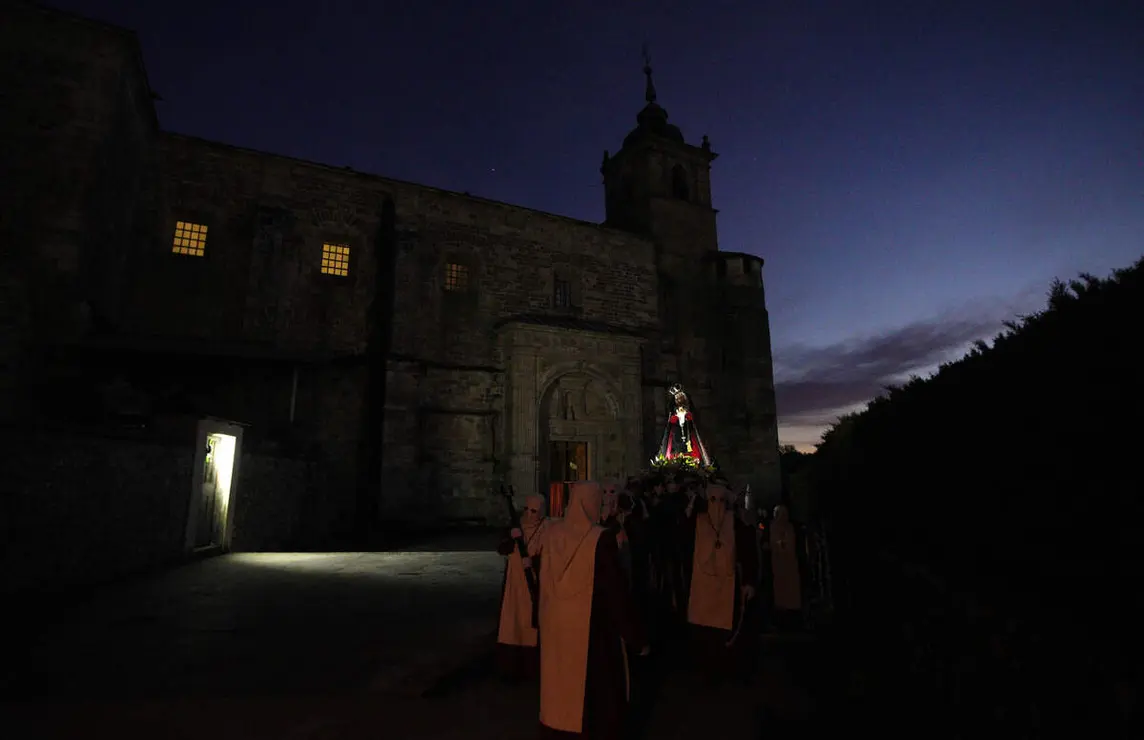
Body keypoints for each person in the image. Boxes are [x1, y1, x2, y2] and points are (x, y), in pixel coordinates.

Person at [537, 480, 649, 740]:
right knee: (592, 695)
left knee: (560, 686)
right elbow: (615, 592)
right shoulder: (600, 539)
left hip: (557, 625)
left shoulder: (552, 532)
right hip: (591, 630)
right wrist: (635, 638)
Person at [681, 477, 758, 683]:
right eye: (713, 500)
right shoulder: (697, 522)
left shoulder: (735, 524)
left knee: (724, 631)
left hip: (727, 587)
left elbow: (747, 551)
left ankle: (724, 670)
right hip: (702, 587)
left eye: (721, 500)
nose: (717, 506)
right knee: (704, 631)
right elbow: (683, 545)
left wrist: (749, 580)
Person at [494, 493, 546, 682]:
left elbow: (552, 554)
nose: (529, 515)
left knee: (529, 626)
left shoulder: (547, 529)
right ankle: (510, 670)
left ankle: (530, 670)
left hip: (533, 584)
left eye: (534, 511)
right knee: (511, 622)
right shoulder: (516, 526)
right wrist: (510, 538)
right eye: (527, 510)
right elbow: (501, 549)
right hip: (513, 583)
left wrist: (535, 562)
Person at [767, 504, 803, 631]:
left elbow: (788, 545)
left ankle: (792, 621)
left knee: (790, 593)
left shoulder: (789, 528)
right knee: (780, 594)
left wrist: (779, 545)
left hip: (789, 566)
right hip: (778, 567)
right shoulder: (773, 527)